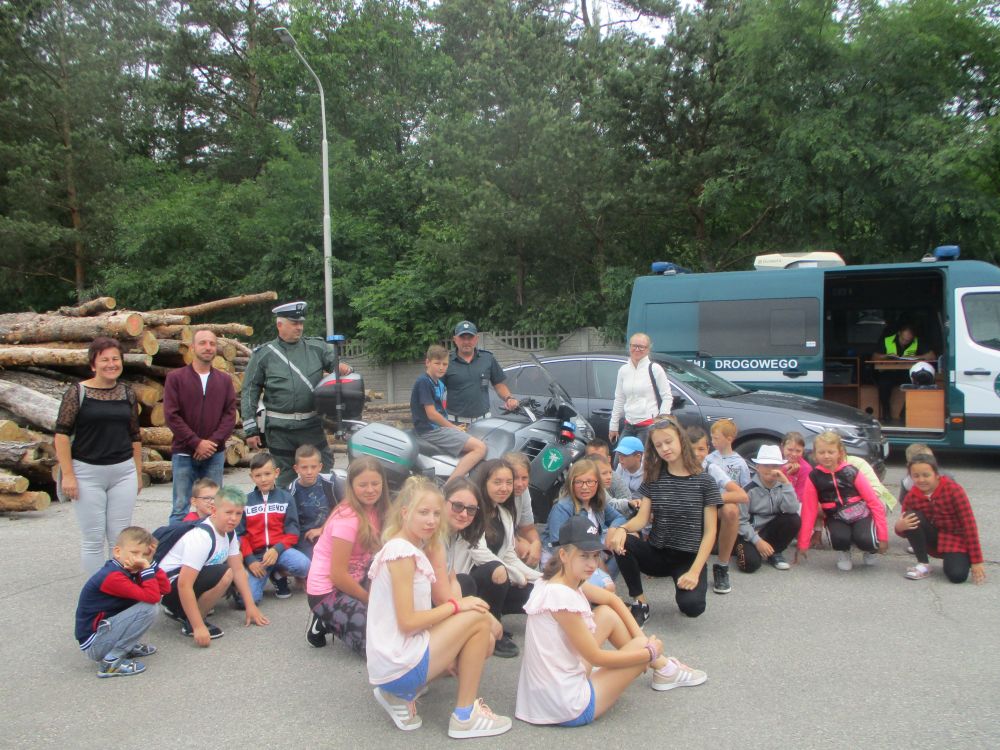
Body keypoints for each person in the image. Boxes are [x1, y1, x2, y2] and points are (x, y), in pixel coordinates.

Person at [516, 517, 706, 727]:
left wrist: (647, 645)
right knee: (639, 647)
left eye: (595, 555)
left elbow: (612, 600)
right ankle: (666, 669)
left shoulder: (555, 579)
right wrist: (649, 653)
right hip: (567, 706)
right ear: (563, 555)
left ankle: (663, 667)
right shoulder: (561, 597)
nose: (592, 564)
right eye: (584, 556)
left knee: (607, 614)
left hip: (543, 696)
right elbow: (596, 657)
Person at [366, 476, 512, 738]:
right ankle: (465, 717)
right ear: (405, 513)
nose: (432, 520)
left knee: (477, 622)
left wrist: (459, 607)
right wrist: (458, 606)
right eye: (423, 512)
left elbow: (445, 591)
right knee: (478, 620)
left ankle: (400, 695)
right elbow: (408, 622)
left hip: (394, 663)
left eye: (435, 513)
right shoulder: (401, 553)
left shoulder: (411, 546)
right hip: (399, 663)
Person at [607, 418, 721, 622]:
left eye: (669, 441)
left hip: (688, 557)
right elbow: (642, 519)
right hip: (657, 553)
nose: (665, 448)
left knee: (692, 607)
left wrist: (695, 572)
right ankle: (640, 603)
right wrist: (622, 529)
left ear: (681, 440)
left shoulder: (705, 481)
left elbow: (711, 531)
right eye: (658, 445)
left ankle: (686, 583)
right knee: (621, 539)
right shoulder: (654, 477)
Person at [241, 301, 354, 487]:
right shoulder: (263, 355)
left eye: (301, 323)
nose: (299, 327)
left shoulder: (317, 347)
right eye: (294, 323)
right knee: (284, 479)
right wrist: (251, 430)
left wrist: (344, 368)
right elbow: (249, 392)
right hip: (280, 431)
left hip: (311, 427)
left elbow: (338, 366)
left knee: (322, 471)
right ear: (280, 325)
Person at [55, 337, 143, 574]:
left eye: (115, 359)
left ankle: (119, 585)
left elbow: (135, 435)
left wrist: (137, 473)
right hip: (87, 473)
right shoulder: (77, 393)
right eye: (104, 360)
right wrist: (68, 476)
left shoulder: (127, 393)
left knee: (120, 537)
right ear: (93, 364)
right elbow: (61, 435)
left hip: (123, 472)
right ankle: (97, 589)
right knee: (93, 538)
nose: (111, 364)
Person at [158, 486, 268, 645]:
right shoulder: (202, 537)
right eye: (228, 512)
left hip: (184, 581)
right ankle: (191, 622)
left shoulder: (229, 532)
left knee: (234, 571)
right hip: (169, 587)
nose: (233, 518)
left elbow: (238, 569)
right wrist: (198, 627)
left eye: (238, 513)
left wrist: (250, 606)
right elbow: (184, 584)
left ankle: (182, 611)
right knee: (226, 573)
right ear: (214, 510)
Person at [305, 457, 391, 650]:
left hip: (358, 576)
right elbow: (338, 575)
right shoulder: (348, 520)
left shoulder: (379, 509)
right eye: (363, 485)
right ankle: (325, 619)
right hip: (328, 590)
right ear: (351, 486)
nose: (370, 490)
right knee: (379, 646)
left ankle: (332, 619)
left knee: (393, 622)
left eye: (375, 483)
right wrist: (370, 600)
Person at [163, 328, 237, 524]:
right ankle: (177, 542)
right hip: (184, 453)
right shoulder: (176, 378)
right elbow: (171, 415)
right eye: (203, 343)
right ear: (192, 347)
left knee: (214, 506)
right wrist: (196, 442)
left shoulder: (224, 380)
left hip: (214, 454)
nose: (208, 347)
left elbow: (230, 415)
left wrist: (212, 442)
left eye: (212, 343)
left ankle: (212, 542)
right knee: (181, 507)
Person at [74, 526, 169, 677]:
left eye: (144, 554)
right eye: (134, 553)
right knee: (149, 608)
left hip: (106, 631)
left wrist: (150, 563)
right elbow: (153, 597)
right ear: (118, 552)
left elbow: (164, 589)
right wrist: (146, 568)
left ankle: (124, 646)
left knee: (147, 603)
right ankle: (111, 661)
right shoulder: (113, 576)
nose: (139, 558)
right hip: (95, 643)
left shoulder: (132, 568)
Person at [470, 459, 541, 657]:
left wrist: (541, 578)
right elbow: (478, 553)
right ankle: (493, 628)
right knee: (497, 570)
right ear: (484, 482)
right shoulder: (474, 510)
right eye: (497, 482)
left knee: (536, 592)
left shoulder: (504, 513)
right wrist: (515, 574)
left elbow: (509, 555)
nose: (505, 488)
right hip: (471, 580)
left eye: (508, 482)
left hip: (499, 579)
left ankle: (494, 615)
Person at [794, 431, 888, 572]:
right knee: (840, 538)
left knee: (866, 540)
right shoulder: (813, 477)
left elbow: (873, 502)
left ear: (840, 453)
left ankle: (870, 550)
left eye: (831, 452)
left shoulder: (852, 471)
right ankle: (844, 552)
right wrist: (803, 543)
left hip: (860, 514)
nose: (826, 456)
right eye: (821, 452)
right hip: (836, 516)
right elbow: (809, 510)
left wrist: (883, 536)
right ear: (815, 454)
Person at [896, 454, 985, 584]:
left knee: (957, 576)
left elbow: (969, 525)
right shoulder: (911, 496)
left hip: (954, 540)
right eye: (916, 476)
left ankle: (963, 558)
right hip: (933, 539)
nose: (921, 480)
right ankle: (923, 564)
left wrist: (977, 561)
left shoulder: (953, 490)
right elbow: (905, 529)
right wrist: (899, 527)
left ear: (936, 474)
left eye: (926, 475)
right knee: (910, 516)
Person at [237, 452, 311, 604]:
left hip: (280, 551)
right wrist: (250, 560)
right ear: (251, 477)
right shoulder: (245, 501)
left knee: (304, 565)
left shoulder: (286, 498)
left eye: (267, 474)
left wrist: (276, 550)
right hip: (257, 558)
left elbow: (293, 531)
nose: (263, 479)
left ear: (276, 473)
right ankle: (246, 579)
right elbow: (240, 534)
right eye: (258, 475)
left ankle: (278, 574)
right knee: (245, 601)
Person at [542, 459, 626, 591]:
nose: (585, 487)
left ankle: (602, 585)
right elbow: (558, 546)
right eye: (579, 482)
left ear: (597, 483)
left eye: (590, 482)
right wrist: (595, 562)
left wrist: (613, 529)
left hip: (588, 554)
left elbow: (620, 518)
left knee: (626, 540)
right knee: (607, 588)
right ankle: (599, 588)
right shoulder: (562, 508)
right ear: (571, 484)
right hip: (564, 559)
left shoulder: (597, 503)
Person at [686, 425, 749, 594]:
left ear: (707, 449)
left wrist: (708, 498)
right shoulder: (673, 467)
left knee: (731, 510)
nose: (696, 454)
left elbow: (742, 495)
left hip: (708, 514)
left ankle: (722, 566)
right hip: (684, 518)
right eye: (691, 449)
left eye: (701, 449)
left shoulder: (710, 468)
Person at [411, 344, 487, 480]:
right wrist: (453, 428)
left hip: (438, 429)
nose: (441, 367)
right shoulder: (424, 382)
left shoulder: (438, 383)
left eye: (445, 364)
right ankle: (451, 486)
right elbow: (432, 414)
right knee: (480, 448)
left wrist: (454, 427)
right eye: (437, 363)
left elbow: (440, 410)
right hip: (430, 431)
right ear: (427, 362)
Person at [733, 445, 802, 573]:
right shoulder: (748, 490)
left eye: (775, 466)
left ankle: (775, 552)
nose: (770, 470)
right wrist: (757, 541)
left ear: (780, 468)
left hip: (770, 530)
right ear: (758, 467)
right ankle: (753, 550)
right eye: (766, 465)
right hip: (750, 532)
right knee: (748, 565)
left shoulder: (783, 486)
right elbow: (740, 522)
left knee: (794, 519)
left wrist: (786, 483)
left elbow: (793, 509)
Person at [442, 320, 518, 422]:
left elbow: (499, 385)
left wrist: (509, 398)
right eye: (462, 338)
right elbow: (436, 389)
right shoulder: (446, 362)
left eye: (470, 338)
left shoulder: (488, 358)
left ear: (476, 338)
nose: (466, 342)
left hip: (483, 421)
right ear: (455, 339)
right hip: (456, 423)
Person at [608, 332, 672, 446]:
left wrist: (661, 421)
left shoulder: (655, 369)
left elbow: (667, 397)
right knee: (620, 457)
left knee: (642, 457)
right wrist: (613, 425)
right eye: (634, 346)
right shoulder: (623, 370)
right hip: (629, 424)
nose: (637, 349)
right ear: (629, 347)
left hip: (648, 425)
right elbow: (619, 399)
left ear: (648, 349)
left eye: (641, 347)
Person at [288, 444, 344, 559]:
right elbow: (291, 524)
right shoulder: (290, 492)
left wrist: (323, 529)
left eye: (313, 467)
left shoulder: (331, 483)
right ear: (296, 468)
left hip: (332, 529)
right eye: (304, 467)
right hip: (306, 537)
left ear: (320, 466)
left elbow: (345, 508)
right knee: (309, 564)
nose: (309, 472)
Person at [873, 322, 936, 422]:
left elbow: (932, 356)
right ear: (899, 333)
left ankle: (905, 412)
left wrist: (915, 357)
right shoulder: (887, 340)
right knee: (883, 384)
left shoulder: (917, 341)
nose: (905, 342)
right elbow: (874, 357)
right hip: (890, 372)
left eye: (908, 340)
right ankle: (886, 412)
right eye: (903, 339)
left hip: (908, 373)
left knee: (919, 383)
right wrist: (887, 356)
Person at [503, 451, 542, 567]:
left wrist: (536, 543)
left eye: (524, 478)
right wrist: (517, 543)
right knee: (524, 548)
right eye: (515, 478)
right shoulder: (497, 494)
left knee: (532, 552)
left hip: (512, 538)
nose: (520, 484)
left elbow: (527, 528)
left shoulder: (523, 491)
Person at [781, 431, 812, 503]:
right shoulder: (775, 461)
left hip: (792, 504)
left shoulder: (806, 469)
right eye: (790, 449)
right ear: (782, 447)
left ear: (803, 451)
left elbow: (799, 498)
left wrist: (790, 475)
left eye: (798, 451)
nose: (794, 454)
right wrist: (784, 470)